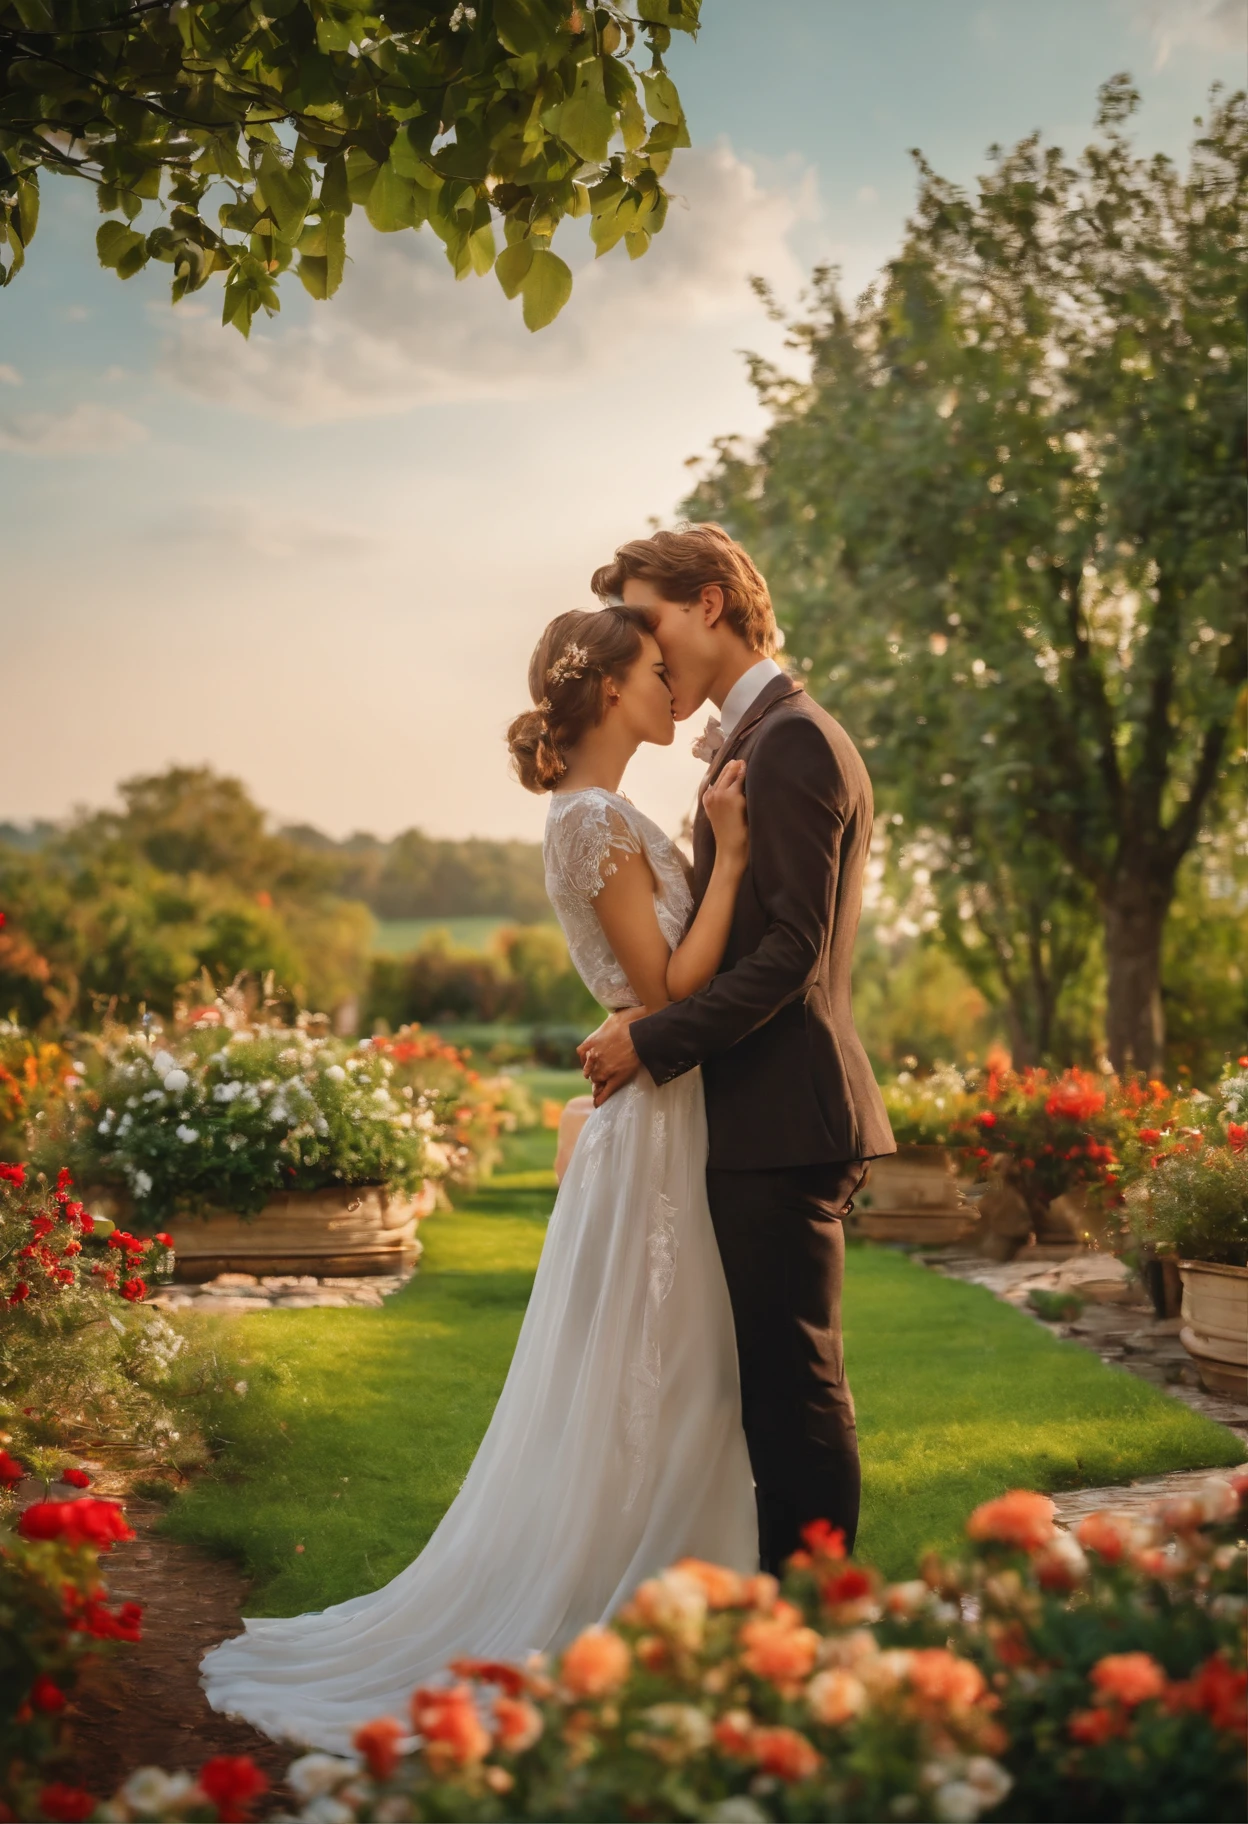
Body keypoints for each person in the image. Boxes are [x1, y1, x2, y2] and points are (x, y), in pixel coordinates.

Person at [200, 603, 758, 1753]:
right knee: (668, 1364)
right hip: (660, 1120)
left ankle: (692, 1591)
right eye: (658, 671)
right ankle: (643, 1602)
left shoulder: (607, 812)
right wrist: (740, 859)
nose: (676, 689)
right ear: (609, 688)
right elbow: (664, 998)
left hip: (673, 1116)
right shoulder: (592, 821)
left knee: (681, 1368)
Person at [579, 523, 895, 1575]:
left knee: (793, 1383)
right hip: (759, 1111)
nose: (647, 646)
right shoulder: (758, 737)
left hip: (785, 1113)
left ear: (709, 603)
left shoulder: (793, 739)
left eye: (653, 617)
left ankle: (814, 1616)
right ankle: (783, 1610)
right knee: (764, 1382)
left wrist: (653, 1041)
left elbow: (794, 953)